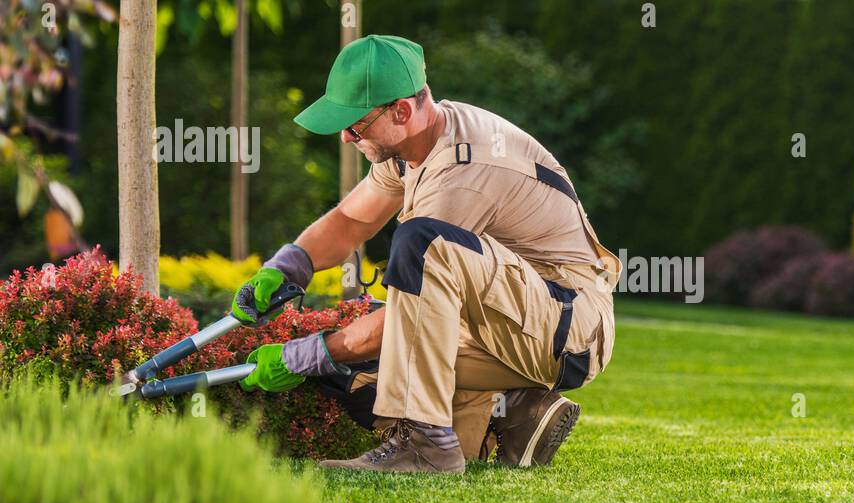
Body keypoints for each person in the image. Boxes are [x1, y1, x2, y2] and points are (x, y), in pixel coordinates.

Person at [232, 35, 620, 474]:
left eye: (355, 125)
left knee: (416, 252)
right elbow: (351, 222)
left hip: (566, 327)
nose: (344, 137)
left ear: (400, 110)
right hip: (513, 322)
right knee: (360, 374)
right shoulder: (412, 146)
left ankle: (427, 446)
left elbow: (405, 312)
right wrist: (287, 266)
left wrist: (306, 354)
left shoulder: (463, 171)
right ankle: (515, 413)